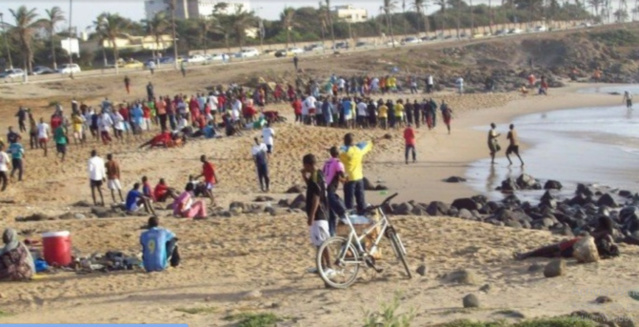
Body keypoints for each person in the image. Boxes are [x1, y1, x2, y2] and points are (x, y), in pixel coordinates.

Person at [515, 217, 619, 260]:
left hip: (577, 246)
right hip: (578, 246)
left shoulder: (605, 234)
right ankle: (527, 255)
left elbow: (611, 248)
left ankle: (526, 255)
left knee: (551, 249)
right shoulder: (606, 233)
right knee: (552, 252)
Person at [301, 154, 332, 276]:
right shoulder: (316, 175)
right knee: (318, 241)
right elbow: (312, 188)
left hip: (320, 214)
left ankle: (329, 266)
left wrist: (312, 215)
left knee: (323, 241)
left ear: (308, 165)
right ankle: (321, 266)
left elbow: (316, 197)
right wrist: (304, 176)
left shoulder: (316, 176)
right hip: (317, 215)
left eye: (304, 166)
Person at [339, 133, 373, 213]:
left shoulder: (345, 150)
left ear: (344, 141)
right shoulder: (359, 148)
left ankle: (352, 218)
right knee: (361, 200)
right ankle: (362, 216)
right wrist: (383, 137)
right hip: (359, 178)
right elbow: (370, 142)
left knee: (349, 202)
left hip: (349, 178)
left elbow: (336, 150)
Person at [323, 146, 347, 237]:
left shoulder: (327, 162)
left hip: (325, 185)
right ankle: (342, 214)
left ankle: (331, 232)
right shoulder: (338, 162)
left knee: (331, 212)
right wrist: (345, 180)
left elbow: (324, 173)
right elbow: (341, 174)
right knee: (334, 202)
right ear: (338, 154)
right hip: (330, 187)